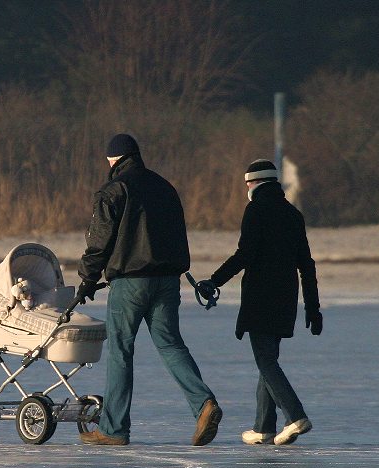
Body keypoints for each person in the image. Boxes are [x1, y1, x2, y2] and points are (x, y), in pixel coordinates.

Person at [76, 133, 221, 446]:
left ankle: (113, 430)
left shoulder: (114, 190)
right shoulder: (164, 187)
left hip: (130, 282)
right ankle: (204, 404)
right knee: (170, 344)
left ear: (113, 160)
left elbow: (99, 241)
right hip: (167, 281)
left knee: (120, 351)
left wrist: (87, 279)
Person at [197, 159, 322, 446]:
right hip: (286, 298)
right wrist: (313, 308)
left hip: (260, 298)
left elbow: (245, 254)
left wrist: (214, 281)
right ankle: (263, 427)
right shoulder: (293, 214)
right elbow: (307, 263)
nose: (247, 189)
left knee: (265, 360)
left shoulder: (256, 210)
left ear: (254, 183)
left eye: (247, 184)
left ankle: (295, 416)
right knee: (269, 360)